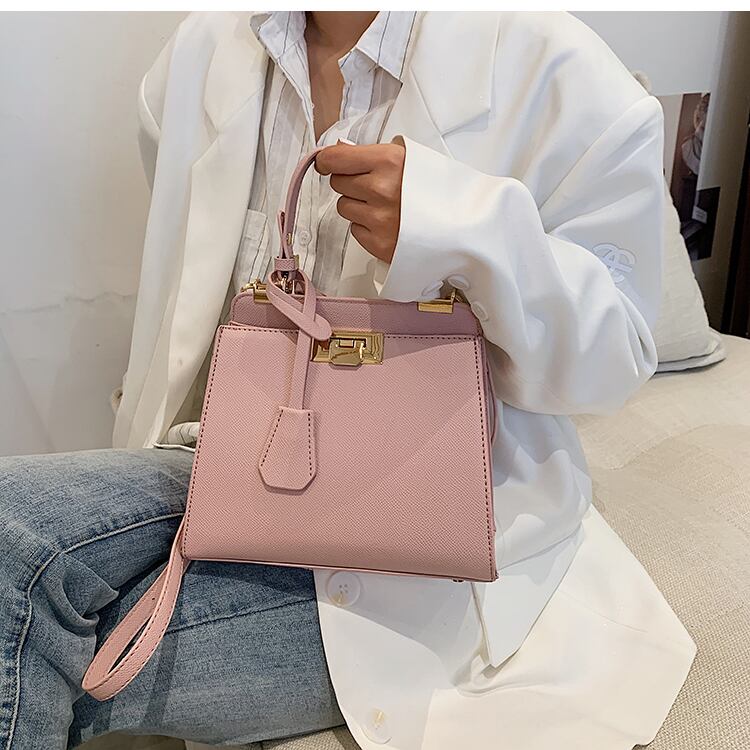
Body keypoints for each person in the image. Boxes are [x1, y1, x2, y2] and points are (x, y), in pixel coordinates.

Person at [0, 11, 696, 750]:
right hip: (232, 466)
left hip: (430, 536)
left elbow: (614, 360)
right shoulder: (203, 50)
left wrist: (465, 231)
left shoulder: (559, 68)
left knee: (23, 615)